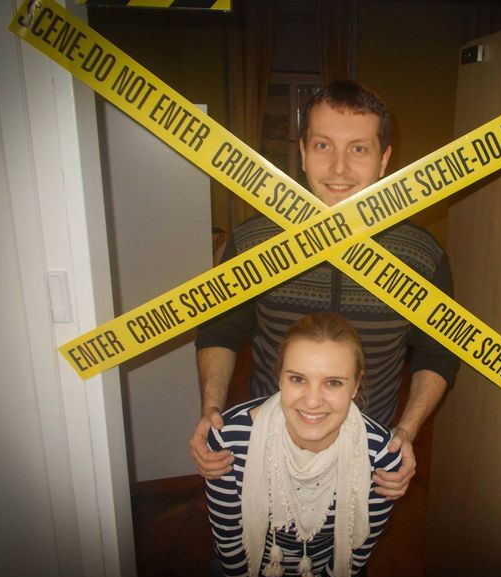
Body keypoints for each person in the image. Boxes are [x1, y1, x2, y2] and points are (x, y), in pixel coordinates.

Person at [192, 81, 459, 499]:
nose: (338, 169)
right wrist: (211, 410)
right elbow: (219, 331)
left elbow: (438, 353)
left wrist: (406, 432)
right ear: (302, 152)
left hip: (368, 456)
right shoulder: (253, 241)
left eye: (358, 149)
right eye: (322, 146)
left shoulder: (421, 256)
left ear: (384, 159)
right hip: (266, 448)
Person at [206, 313, 401, 577]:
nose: (312, 401)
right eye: (297, 379)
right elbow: (228, 537)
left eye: (333, 383)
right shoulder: (230, 438)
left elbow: (356, 549)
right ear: (279, 377)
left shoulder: (382, 456)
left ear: (356, 384)